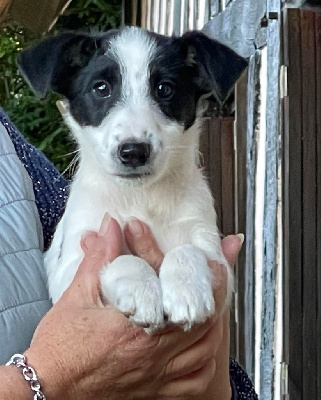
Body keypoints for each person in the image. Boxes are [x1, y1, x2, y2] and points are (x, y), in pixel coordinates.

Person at [0, 1, 258, 398]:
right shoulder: (76, 203)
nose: (134, 135)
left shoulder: (33, 183)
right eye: (102, 88)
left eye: (165, 89)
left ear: (199, 92)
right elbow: (68, 281)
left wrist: (189, 260)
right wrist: (123, 272)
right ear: (70, 95)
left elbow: (213, 298)